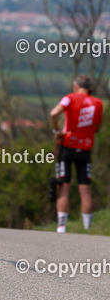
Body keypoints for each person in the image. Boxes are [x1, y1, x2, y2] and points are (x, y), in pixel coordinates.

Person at [49, 74, 103, 232]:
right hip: (86, 148)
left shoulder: (70, 98)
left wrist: (57, 130)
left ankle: (61, 227)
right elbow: (97, 128)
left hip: (67, 146)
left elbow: (54, 113)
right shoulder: (98, 103)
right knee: (85, 189)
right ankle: (88, 228)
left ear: (75, 86)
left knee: (64, 186)